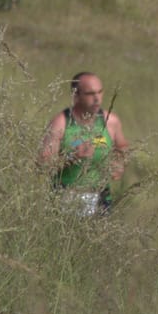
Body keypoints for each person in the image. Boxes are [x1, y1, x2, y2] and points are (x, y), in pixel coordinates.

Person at [37, 72, 129, 217]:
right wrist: (71, 158)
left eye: (100, 92)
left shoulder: (110, 121)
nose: (97, 99)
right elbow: (43, 163)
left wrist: (119, 163)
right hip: (66, 196)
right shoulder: (61, 123)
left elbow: (122, 146)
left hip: (100, 196)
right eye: (90, 94)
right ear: (76, 96)